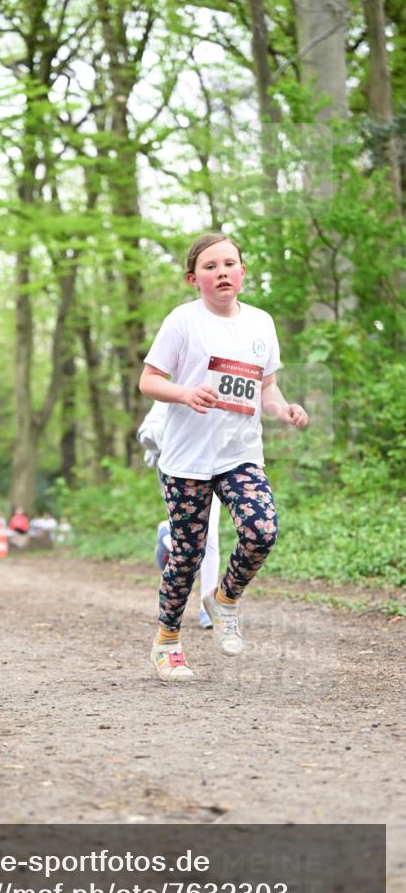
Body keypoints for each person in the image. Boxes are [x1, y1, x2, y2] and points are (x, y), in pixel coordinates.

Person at [139, 232, 308, 682]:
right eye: (210, 267)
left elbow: (265, 387)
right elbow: (149, 380)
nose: (222, 273)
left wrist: (284, 409)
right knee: (188, 556)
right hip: (187, 458)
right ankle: (168, 642)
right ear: (195, 279)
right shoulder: (182, 322)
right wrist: (184, 392)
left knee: (261, 530)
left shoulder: (261, 324)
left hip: (239, 454)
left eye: (229, 264)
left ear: (243, 272)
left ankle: (225, 597)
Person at [138, 400, 219, 628]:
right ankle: (168, 533)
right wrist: (175, 436)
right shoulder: (175, 390)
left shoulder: (225, 386)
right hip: (177, 470)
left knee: (210, 535)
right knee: (190, 539)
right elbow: (146, 432)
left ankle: (207, 607)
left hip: (214, 467)